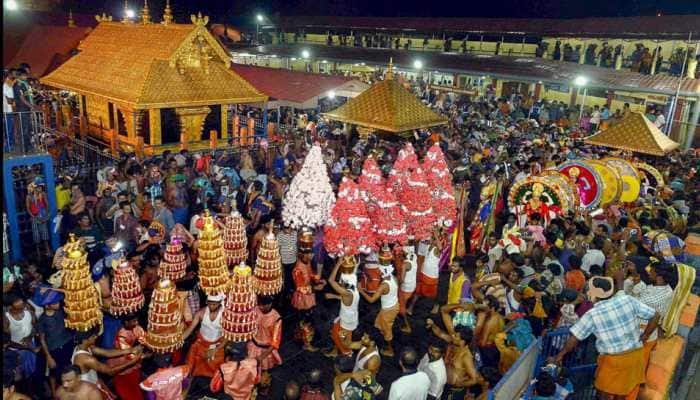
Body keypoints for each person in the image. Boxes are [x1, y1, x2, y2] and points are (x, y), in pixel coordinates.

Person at [553, 276, 660, 399]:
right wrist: (645, 335)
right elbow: (655, 315)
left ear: (593, 294)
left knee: (602, 392)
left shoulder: (592, 314)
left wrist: (559, 355)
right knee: (622, 392)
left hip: (613, 361)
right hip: (635, 357)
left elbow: (574, 338)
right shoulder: (627, 300)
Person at [71, 327, 143, 400]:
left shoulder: (83, 346)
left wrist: (130, 350)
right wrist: (132, 362)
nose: (96, 337)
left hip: (93, 380)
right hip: (89, 390)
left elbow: (107, 353)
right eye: (93, 336)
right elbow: (110, 371)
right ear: (85, 340)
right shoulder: (86, 359)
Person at [36, 289, 74, 397]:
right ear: (47, 305)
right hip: (54, 349)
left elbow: (69, 293)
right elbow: (42, 339)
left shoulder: (61, 311)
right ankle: (53, 393)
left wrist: (51, 289)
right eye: (55, 302)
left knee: (68, 369)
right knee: (54, 372)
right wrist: (48, 357)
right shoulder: (42, 320)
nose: (58, 303)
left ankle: (70, 390)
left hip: (67, 344)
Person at [359, 260, 399, 357]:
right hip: (393, 305)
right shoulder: (393, 278)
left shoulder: (383, 286)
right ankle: (384, 331)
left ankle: (390, 350)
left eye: (379, 271)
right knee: (381, 324)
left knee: (387, 331)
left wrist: (361, 290)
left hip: (388, 310)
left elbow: (371, 300)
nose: (378, 272)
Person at [183, 293, 227, 379]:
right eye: (209, 303)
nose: (211, 306)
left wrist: (216, 349)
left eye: (214, 304)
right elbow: (190, 329)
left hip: (217, 345)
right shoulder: (201, 313)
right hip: (201, 343)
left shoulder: (225, 316)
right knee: (191, 364)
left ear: (219, 303)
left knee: (215, 369)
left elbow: (228, 336)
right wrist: (178, 340)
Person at [326, 257, 360, 358]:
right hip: (346, 317)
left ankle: (349, 354)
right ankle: (336, 350)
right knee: (335, 333)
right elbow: (354, 271)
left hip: (346, 322)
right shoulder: (352, 287)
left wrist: (338, 264)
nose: (341, 284)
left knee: (345, 343)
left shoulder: (346, 293)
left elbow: (331, 280)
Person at [109, 314, 147, 400]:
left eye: (136, 320)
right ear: (126, 322)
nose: (136, 322)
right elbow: (129, 354)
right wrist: (144, 356)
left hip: (133, 356)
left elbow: (144, 337)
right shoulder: (121, 335)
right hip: (123, 360)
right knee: (127, 388)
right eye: (134, 321)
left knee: (135, 383)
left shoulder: (135, 327)